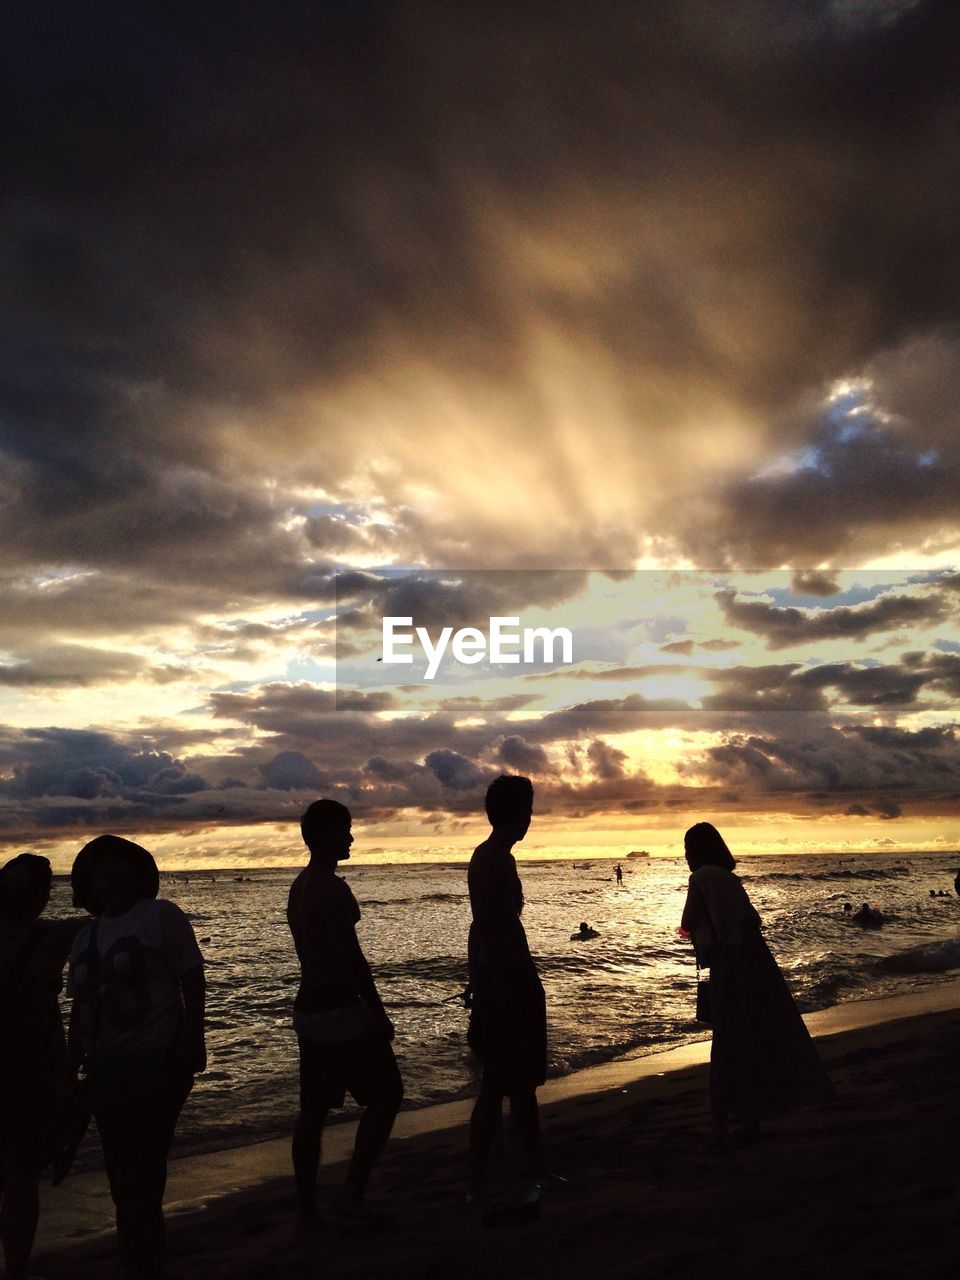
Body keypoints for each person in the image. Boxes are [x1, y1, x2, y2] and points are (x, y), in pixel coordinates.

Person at [67, 835, 206, 1280]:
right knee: (120, 1171)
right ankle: (138, 1253)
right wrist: (74, 1065)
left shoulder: (160, 916)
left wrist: (192, 1038)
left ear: (135, 871)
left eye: (114, 865)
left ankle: (142, 1260)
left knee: (143, 1170)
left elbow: (192, 977)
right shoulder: (84, 936)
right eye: (96, 868)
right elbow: (81, 1006)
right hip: (105, 1067)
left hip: (156, 1061)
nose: (105, 874)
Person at [679, 822, 834, 1150]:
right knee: (755, 1040)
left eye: (687, 848)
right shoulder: (730, 878)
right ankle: (751, 1120)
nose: (685, 855)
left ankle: (720, 1125)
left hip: (730, 965)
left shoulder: (701, 877)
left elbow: (687, 922)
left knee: (726, 1044)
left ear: (698, 850)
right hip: (756, 962)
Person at [287, 799, 402, 1234]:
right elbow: (353, 961)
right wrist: (378, 1013)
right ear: (326, 836)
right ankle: (351, 1194)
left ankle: (306, 1211)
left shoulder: (299, 885)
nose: (351, 838)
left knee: (312, 1112)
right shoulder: (331, 889)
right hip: (338, 1008)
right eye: (345, 830)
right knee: (387, 1095)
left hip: (309, 1006)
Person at [0, 854, 85, 1280]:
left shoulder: (52, 936)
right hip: (31, 1069)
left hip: (26, 1069)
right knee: (21, 1173)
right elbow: (104, 918)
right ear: (40, 898)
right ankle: (15, 1268)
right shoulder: (55, 937)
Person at [466, 775, 546, 1227]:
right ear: (513, 813)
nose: (529, 819)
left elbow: (481, 930)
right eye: (527, 810)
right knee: (501, 1085)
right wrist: (492, 986)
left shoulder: (494, 857)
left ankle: (527, 1171)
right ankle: (487, 1179)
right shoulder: (492, 860)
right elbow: (491, 930)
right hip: (507, 982)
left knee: (514, 1086)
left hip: (506, 978)